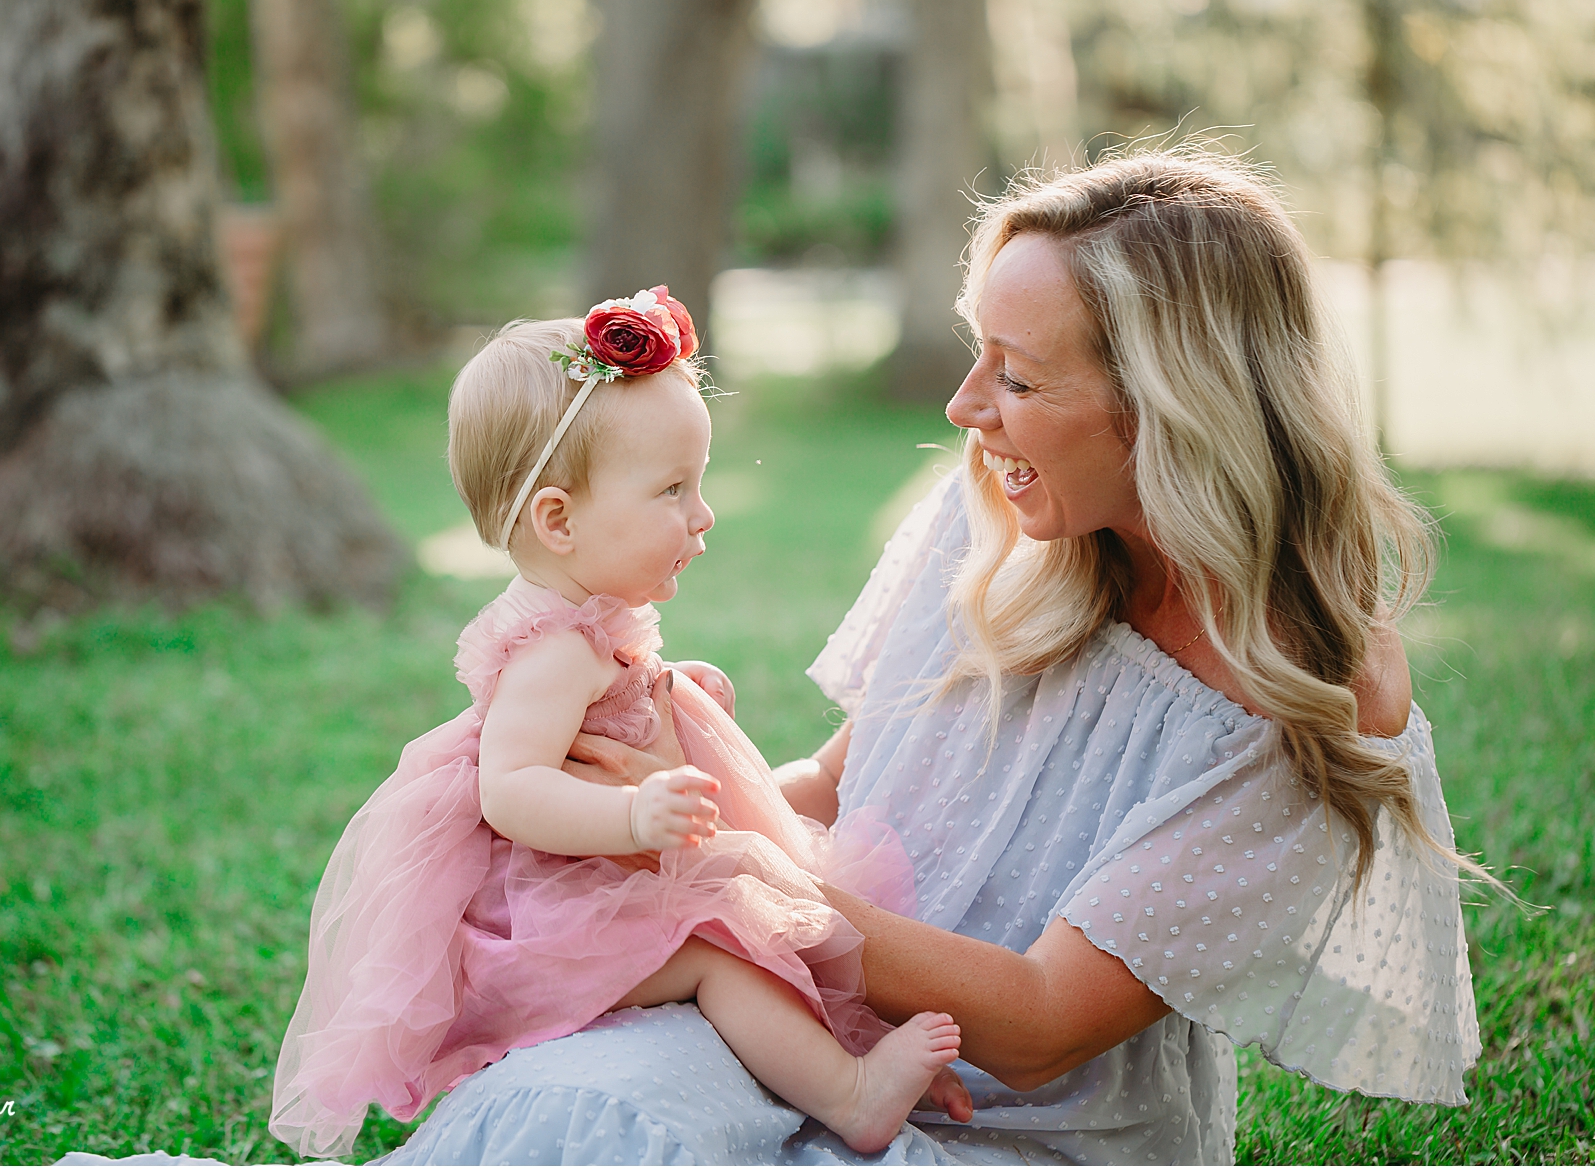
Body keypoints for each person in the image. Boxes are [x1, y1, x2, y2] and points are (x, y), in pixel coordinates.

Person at [385, 151, 1488, 1164]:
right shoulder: (1006, 532)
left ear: (1171, 407)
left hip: (1008, 1124)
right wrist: (640, 823)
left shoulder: (1300, 701)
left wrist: (730, 871)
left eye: (1015, 377)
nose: (966, 409)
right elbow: (840, 781)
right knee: (583, 1111)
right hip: (810, 1022)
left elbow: (1044, 1027)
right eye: (978, 356)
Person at [266, 288, 970, 1161]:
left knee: (759, 910)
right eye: (674, 489)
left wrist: (675, 692)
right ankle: (851, 1091)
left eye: (698, 483)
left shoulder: (591, 621)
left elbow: (608, 711)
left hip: (594, 889)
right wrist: (631, 817)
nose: (703, 513)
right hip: (547, 923)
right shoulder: (553, 650)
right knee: (725, 945)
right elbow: (512, 787)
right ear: (557, 519)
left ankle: (851, 1050)